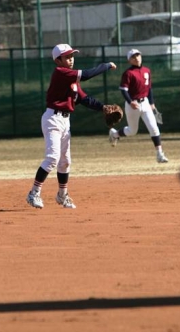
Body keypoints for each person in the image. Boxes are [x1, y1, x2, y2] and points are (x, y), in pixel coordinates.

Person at [26, 44, 117, 209]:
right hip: (53, 119)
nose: (71, 59)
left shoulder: (72, 80)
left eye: (72, 56)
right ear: (58, 60)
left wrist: (102, 107)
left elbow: (84, 99)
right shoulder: (61, 72)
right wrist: (106, 65)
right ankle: (34, 193)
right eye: (67, 57)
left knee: (65, 161)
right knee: (52, 158)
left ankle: (62, 195)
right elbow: (87, 75)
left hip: (65, 121)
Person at [108, 48, 168, 163]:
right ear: (129, 60)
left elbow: (149, 88)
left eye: (138, 55)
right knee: (132, 131)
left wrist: (152, 103)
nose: (136, 58)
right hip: (133, 105)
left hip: (145, 103)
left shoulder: (146, 71)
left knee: (154, 128)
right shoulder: (128, 73)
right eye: (133, 57)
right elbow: (124, 90)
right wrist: (130, 101)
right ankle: (115, 134)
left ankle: (160, 155)